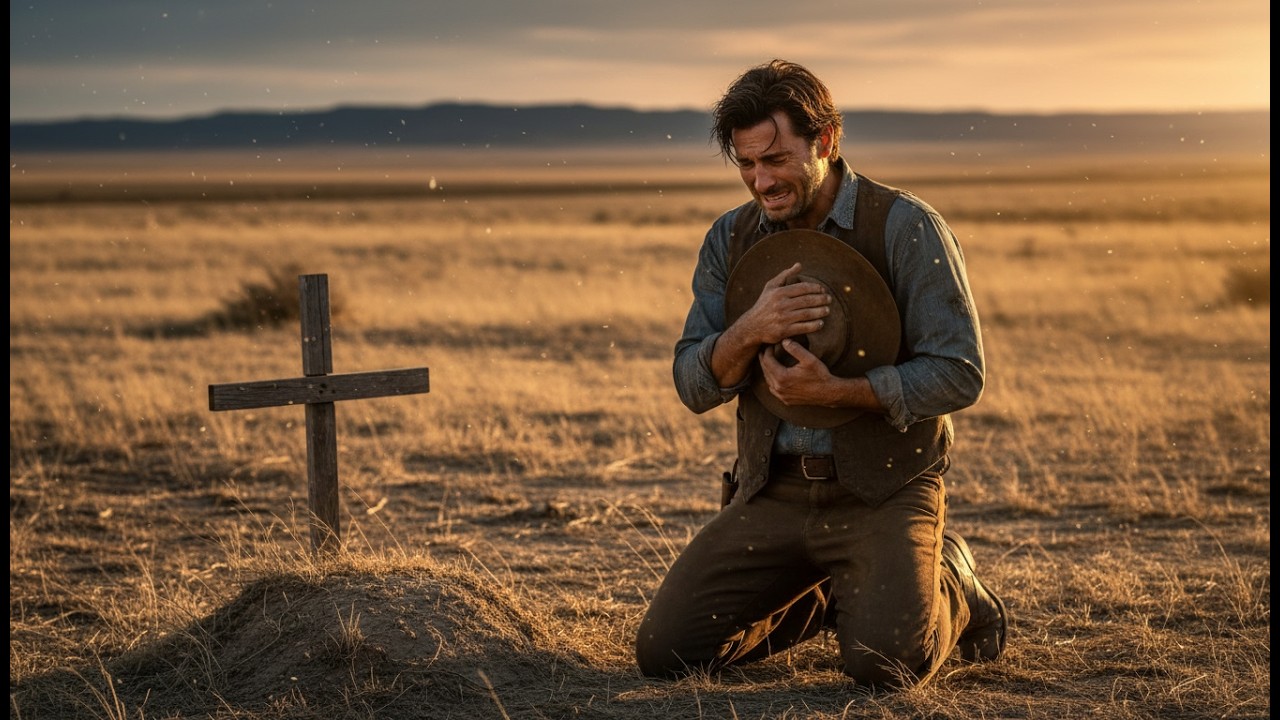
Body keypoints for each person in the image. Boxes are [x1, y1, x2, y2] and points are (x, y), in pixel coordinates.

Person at [635, 59, 1008, 688]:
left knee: (885, 667)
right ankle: (850, 591)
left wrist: (842, 393)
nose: (761, 180)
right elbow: (692, 383)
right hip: (771, 492)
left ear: (826, 143)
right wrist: (749, 329)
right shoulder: (730, 238)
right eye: (747, 164)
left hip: (883, 491)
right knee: (664, 655)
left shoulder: (905, 226)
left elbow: (959, 373)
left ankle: (953, 584)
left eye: (777, 160)